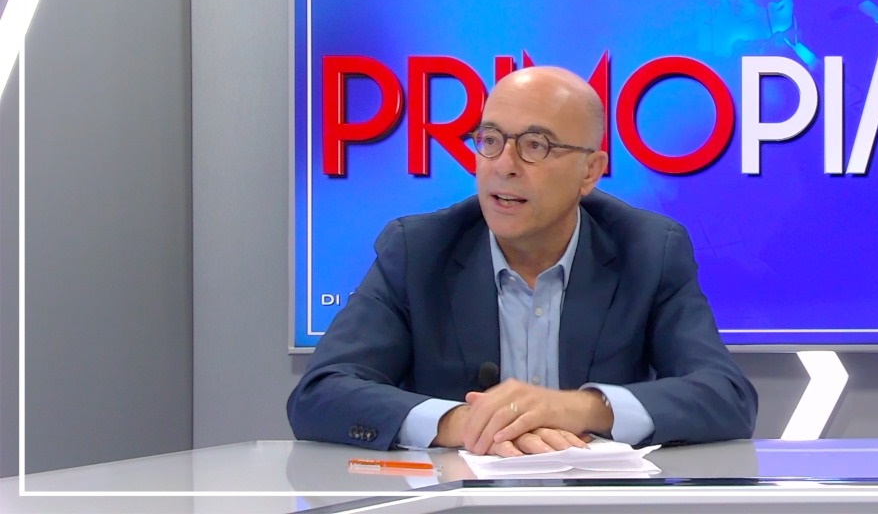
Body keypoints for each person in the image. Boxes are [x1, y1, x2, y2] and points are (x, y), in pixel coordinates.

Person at [287, 66, 758, 456]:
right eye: (490, 140)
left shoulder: (649, 249)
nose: (504, 164)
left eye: (536, 145)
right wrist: (466, 422)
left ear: (589, 171)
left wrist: (579, 408)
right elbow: (320, 393)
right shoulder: (418, 249)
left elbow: (726, 396)